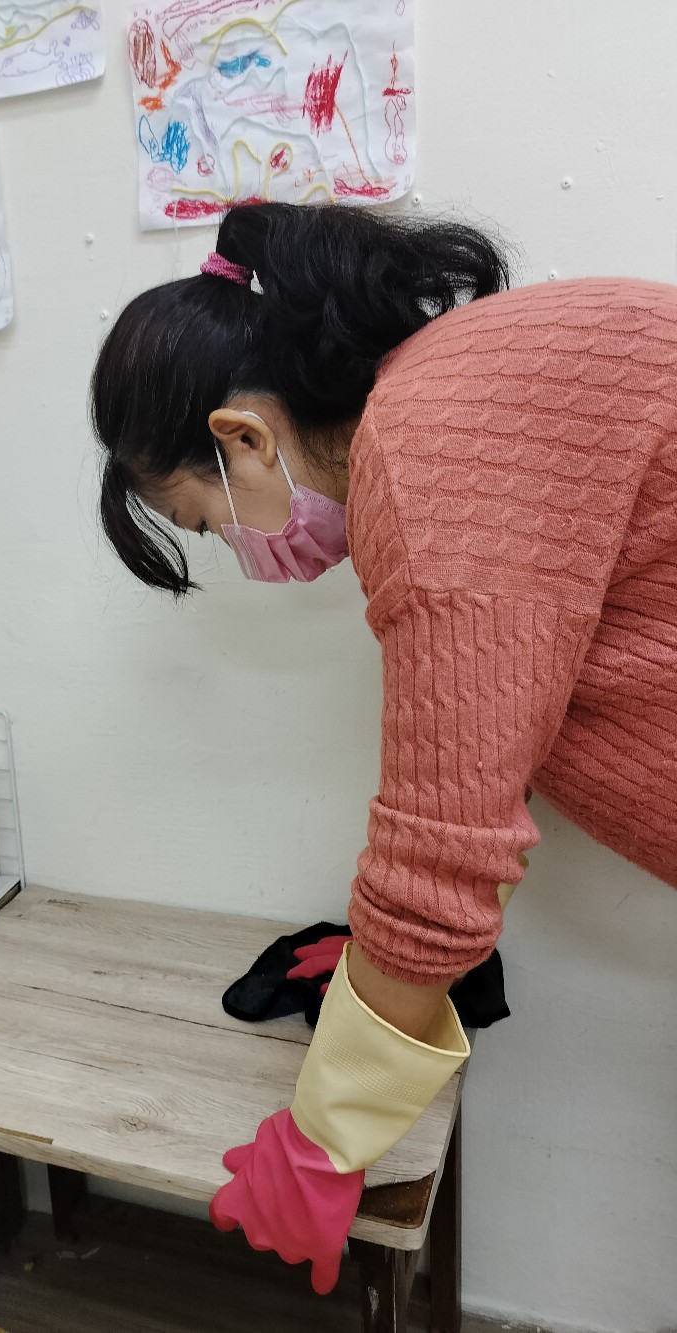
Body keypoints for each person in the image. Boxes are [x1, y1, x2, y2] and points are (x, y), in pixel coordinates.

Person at [90, 202, 677, 1294]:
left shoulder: (423, 451)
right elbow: (491, 752)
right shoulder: (463, 395)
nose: (242, 554)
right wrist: (380, 963)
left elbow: (443, 850)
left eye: (208, 522)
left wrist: (325, 1135)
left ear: (241, 437)